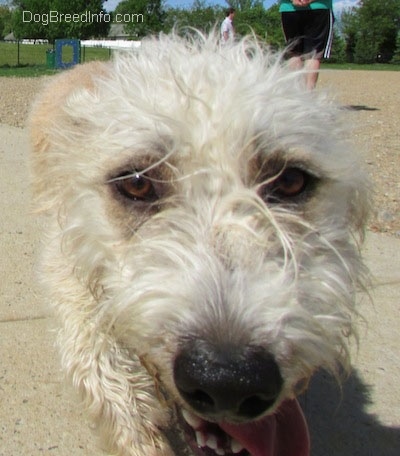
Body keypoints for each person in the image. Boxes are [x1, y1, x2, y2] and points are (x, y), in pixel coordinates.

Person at [279, 0, 334, 90]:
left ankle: (295, 94)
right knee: (313, 55)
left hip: (290, 9)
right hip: (319, 7)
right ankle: (308, 97)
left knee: (294, 53)